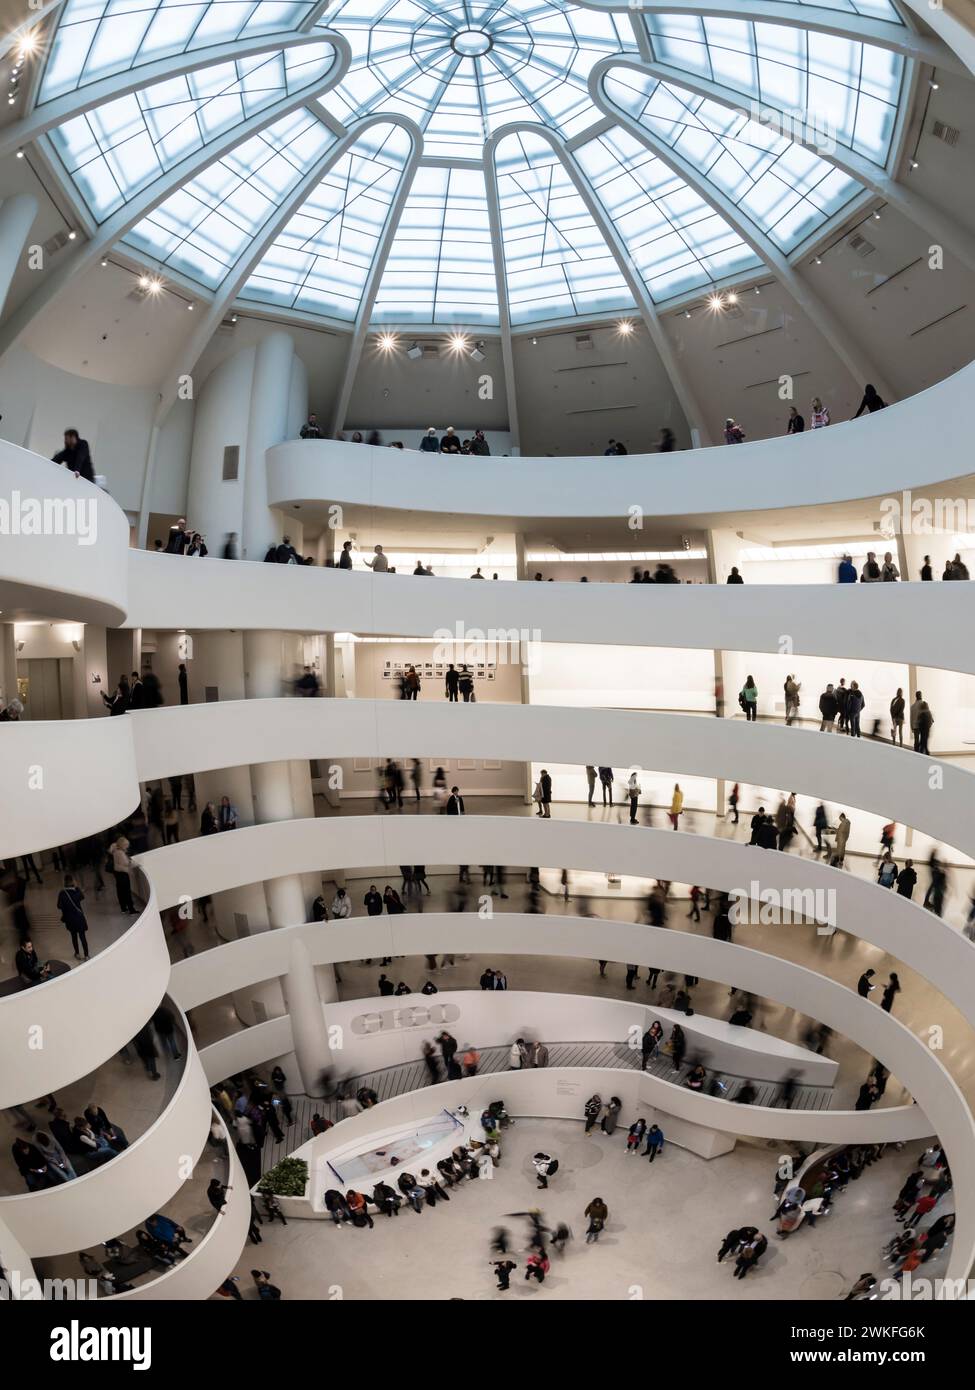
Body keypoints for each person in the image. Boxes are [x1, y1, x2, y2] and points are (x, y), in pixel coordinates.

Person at [56, 874, 89, 959]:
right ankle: (86, 955)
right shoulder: (76, 891)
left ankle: (77, 954)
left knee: (74, 937)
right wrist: (77, 887)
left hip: (69, 919)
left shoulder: (62, 893)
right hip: (79, 918)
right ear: (73, 882)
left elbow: (59, 906)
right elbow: (82, 897)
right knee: (82, 937)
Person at [108, 834, 136, 914]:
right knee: (126, 891)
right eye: (126, 845)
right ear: (122, 845)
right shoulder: (120, 853)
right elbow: (126, 863)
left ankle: (123, 908)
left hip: (117, 873)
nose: (127, 847)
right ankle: (131, 909)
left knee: (120, 891)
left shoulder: (115, 850)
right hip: (123, 873)